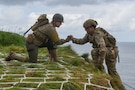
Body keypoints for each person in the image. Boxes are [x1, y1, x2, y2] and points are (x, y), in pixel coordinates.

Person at [69, 19, 126, 90]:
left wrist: (99, 63)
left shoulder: (97, 34)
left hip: (111, 51)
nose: (86, 30)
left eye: (87, 28)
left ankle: (119, 86)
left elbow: (103, 50)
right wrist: (73, 39)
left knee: (112, 70)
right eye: (85, 29)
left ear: (92, 27)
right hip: (107, 51)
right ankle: (103, 76)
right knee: (97, 54)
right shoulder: (89, 34)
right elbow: (82, 41)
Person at [5, 13, 70, 62]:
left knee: (52, 42)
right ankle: (13, 55)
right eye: (60, 22)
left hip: (39, 42)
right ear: (55, 21)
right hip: (32, 44)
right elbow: (58, 42)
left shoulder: (50, 26)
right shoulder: (51, 28)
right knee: (32, 61)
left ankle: (54, 59)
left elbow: (53, 42)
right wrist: (67, 40)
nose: (61, 24)